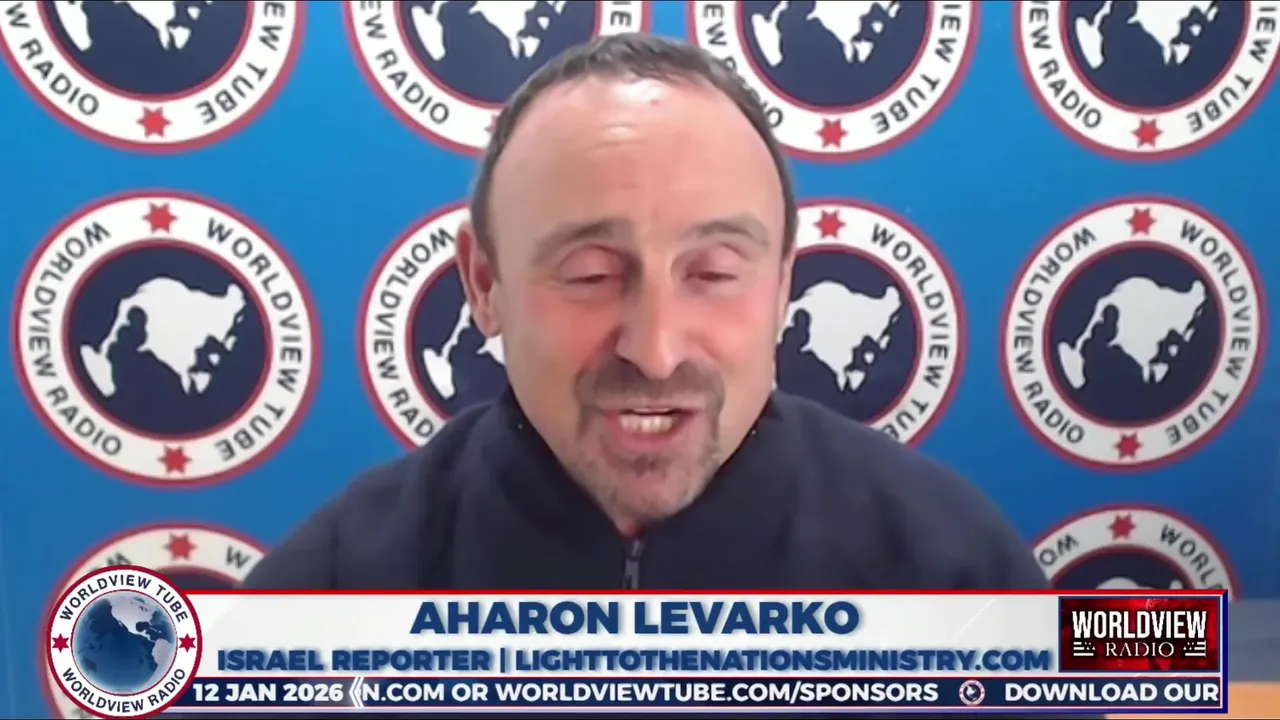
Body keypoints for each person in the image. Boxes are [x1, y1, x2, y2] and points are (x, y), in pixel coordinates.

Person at [242, 34, 1047, 593]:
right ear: (485, 283)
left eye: (714, 273)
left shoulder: (954, 570)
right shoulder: (333, 591)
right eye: (591, 275)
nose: (656, 351)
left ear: (782, 288)